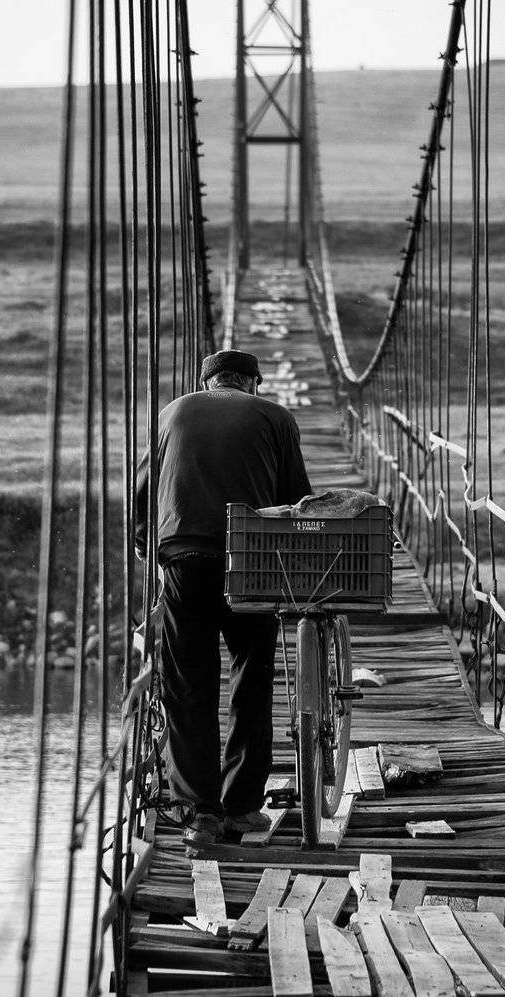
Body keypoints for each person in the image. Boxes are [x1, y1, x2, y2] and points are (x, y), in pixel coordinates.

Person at [133, 349, 312, 847]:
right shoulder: (276, 416)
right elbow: (298, 499)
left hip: (184, 556)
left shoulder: (173, 411)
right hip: (251, 559)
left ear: (205, 381)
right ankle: (241, 808)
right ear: (253, 383)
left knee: (188, 683)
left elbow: (144, 490)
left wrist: (150, 546)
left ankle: (198, 813)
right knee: (252, 677)